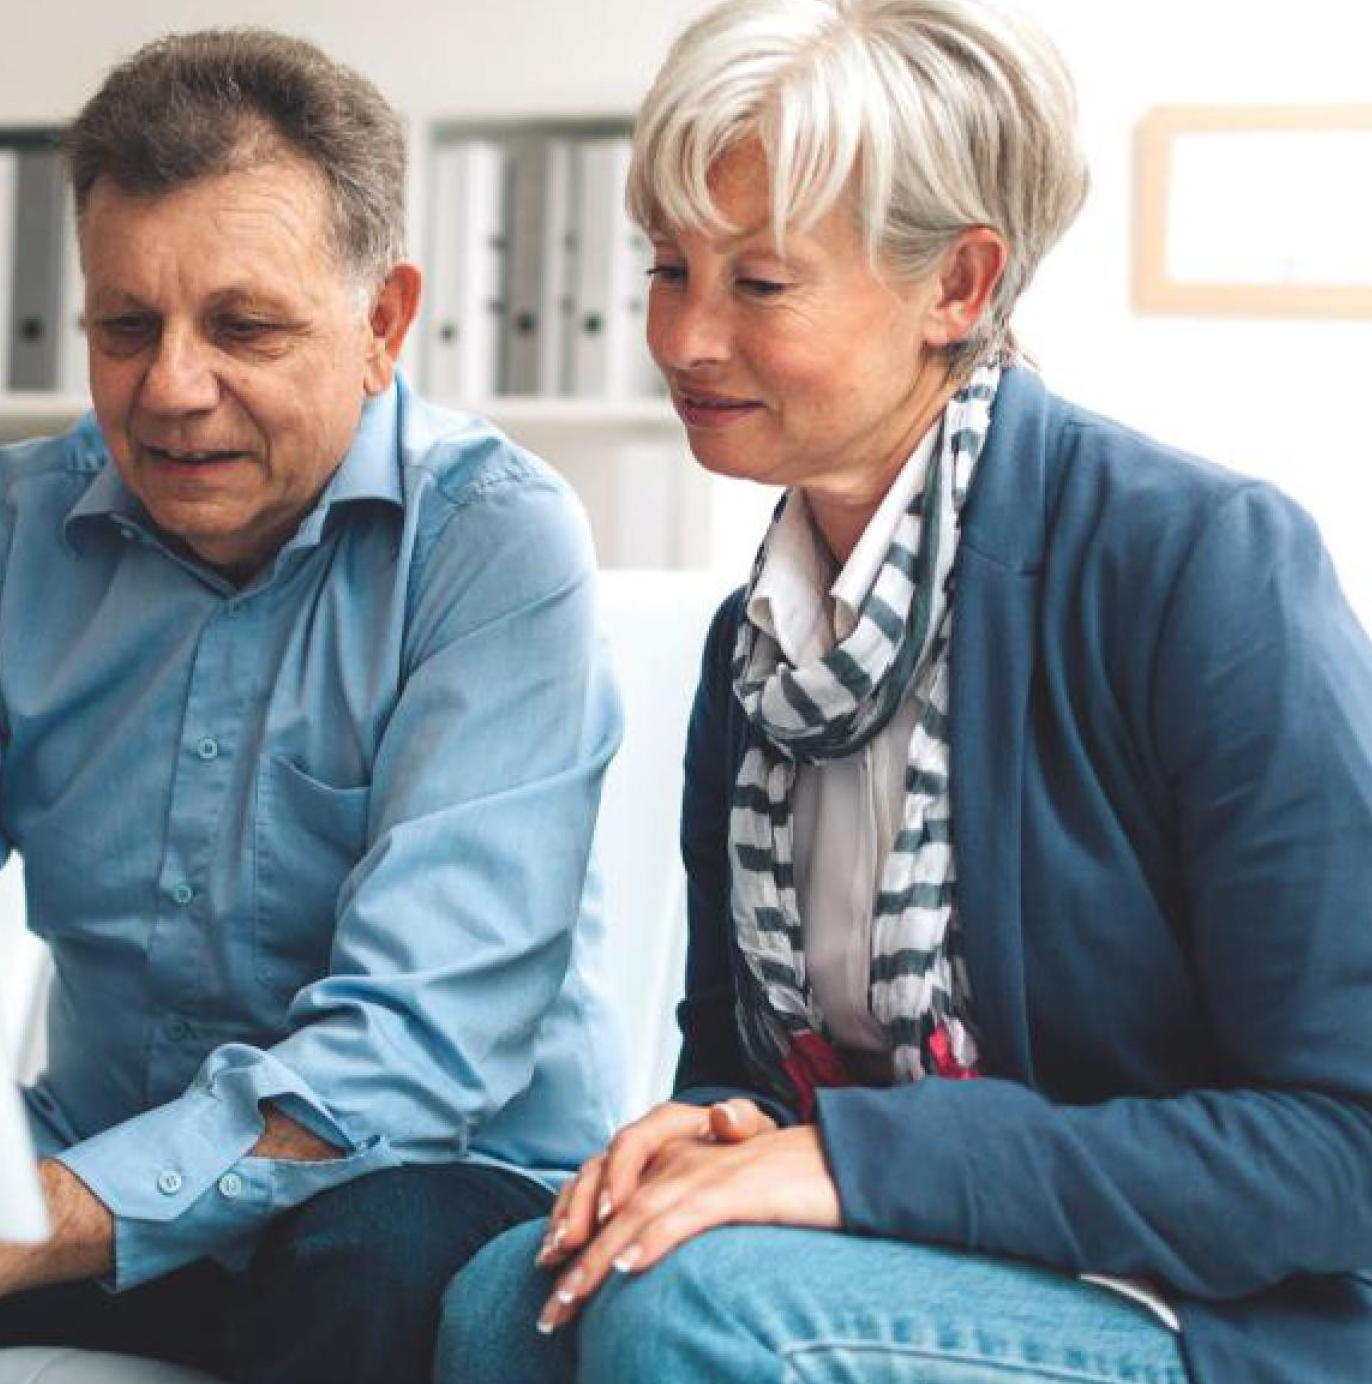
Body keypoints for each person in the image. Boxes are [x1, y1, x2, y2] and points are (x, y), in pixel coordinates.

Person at [435, 0, 1372, 1381]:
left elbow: (1340, 1145)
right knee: (503, 1302)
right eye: (669, 267)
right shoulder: (755, 648)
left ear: (959, 286)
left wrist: (856, 1163)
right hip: (918, 1262)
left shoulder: (1198, 563)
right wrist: (722, 1127)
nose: (684, 337)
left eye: (760, 284)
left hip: (1201, 1310)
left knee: (689, 1312)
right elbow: (746, 1066)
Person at [0, 28, 623, 1384]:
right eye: (126, 327)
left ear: (383, 324)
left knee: (365, 1266)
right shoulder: (17, 533)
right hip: (100, 1169)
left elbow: (417, 1050)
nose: (172, 389)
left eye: (245, 327)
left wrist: (41, 1219)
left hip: (427, 1181)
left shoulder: (494, 542)